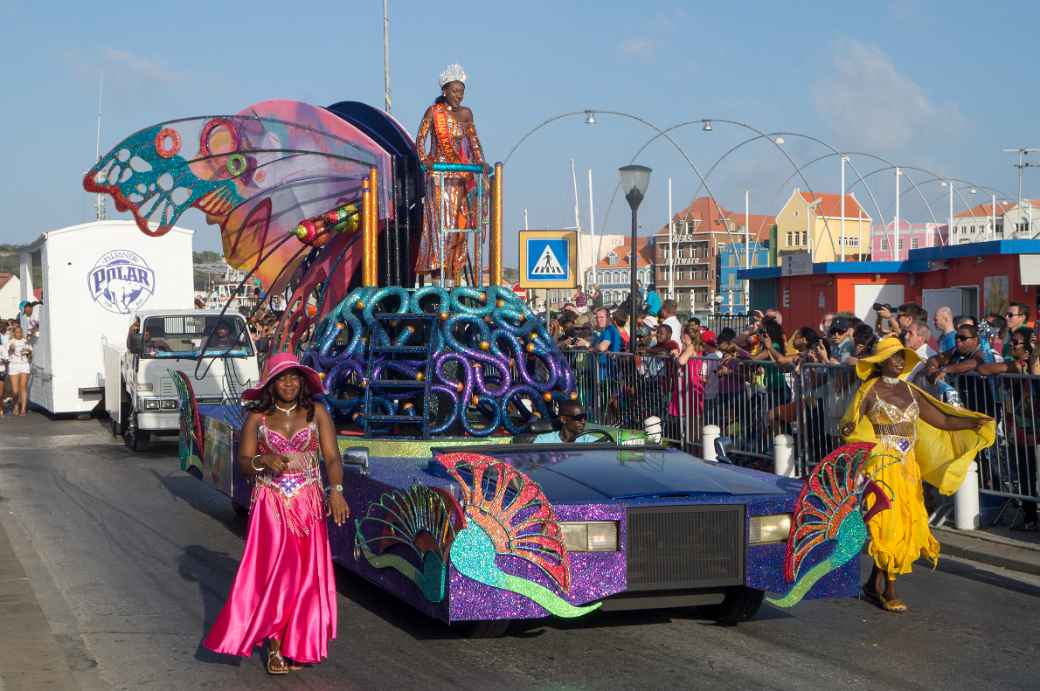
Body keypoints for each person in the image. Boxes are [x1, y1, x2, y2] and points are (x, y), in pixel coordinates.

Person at [203, 353, 347, 673]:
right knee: (279, 575)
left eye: (294, 377)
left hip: (308, 503)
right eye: (282, 378)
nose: (289, 383)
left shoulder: (317, 413)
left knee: (307, 576)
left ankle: (299, 641)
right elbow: (242, 463)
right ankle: (275, 645)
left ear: (302, 381)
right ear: (271, 383)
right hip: (272, 504)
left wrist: (336, 491)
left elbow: (333, 458)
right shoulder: (258, 418)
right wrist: (261, 462)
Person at [840, 337, 994, 613]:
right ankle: (889, 588)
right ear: (881, 361)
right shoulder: (869, 391)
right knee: (887, 523)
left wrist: (973, 421)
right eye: (894, 357)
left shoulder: (911, 391)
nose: (900, 362)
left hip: (908, 468)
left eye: (902, 357)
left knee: (905, 523)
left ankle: (871, 586)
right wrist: (851, 433)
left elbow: (943, 420)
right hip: (882, 466)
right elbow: (851, 427)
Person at [414, 64, 487, 283]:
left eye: (462, 92)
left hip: (460, 178)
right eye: (455, 92)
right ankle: (437, 276)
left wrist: (481, 162)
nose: (459, 96)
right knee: (439, 227)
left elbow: (474, 143)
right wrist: (425, 160)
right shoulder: (433, 112)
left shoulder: (466, 114)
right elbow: (420, 140)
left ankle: (455, 276)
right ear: (445, 91)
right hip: (439, 177)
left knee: (459, 226)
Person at [533, 401, 600, 443]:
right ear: (563, 419)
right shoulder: (544, 441)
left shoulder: (590, 441)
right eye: (579, 417)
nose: (583, 421)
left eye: (585, 417)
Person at [6, 325, 31, 416]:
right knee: (15, 390)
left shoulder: (26, 341)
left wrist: (28, 352)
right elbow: (7, 354)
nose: (19, 334)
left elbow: (30, 355)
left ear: (22, 333)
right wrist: (10, 349)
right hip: (14, 365)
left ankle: (23, 409)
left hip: (24, 365)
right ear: (14, 333)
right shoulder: (10, 342)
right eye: (17, 332)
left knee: (23, 387)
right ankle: (16, 405)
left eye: (20, 332)